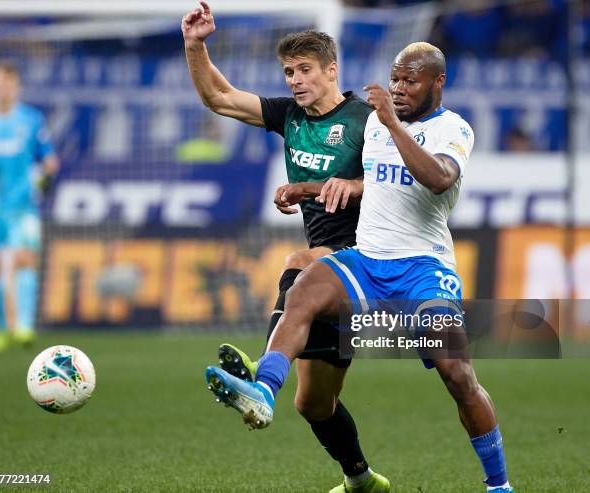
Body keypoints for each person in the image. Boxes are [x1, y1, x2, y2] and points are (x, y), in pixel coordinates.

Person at [206, 42, 515, 493]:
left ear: (437, 82)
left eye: (410, 81)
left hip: (423, 269)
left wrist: (392, 121)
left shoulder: (453, 129)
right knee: (303, 290)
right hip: (366, 261)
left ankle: (498, 484)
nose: (399, 88)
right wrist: (310, 187)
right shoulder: (373, 125)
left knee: (457, 374)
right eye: (395, 80)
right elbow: (376, 186)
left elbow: (438, 179)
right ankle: (263, 390)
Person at [182, 3, 390, 492]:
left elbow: (401, 184)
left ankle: (260, 376)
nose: (295, 80)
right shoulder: (290, 116)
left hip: (370, 260)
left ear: (331, 70)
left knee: (299, 263)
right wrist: (195, 45)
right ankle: (361, 480)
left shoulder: (367, 120)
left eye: (305, 70)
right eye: (289, 72)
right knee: (314, 403)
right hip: (329, 275)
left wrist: (345, 183)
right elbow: (219, 97)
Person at [0, 62, 59, 352]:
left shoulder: (31, 120)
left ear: (17, 88)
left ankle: (24, 327)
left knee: (25, 259)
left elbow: (49, 159)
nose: (3, 89)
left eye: (8, 84)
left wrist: (44, 178)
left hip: (23, 204)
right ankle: (1, 329)